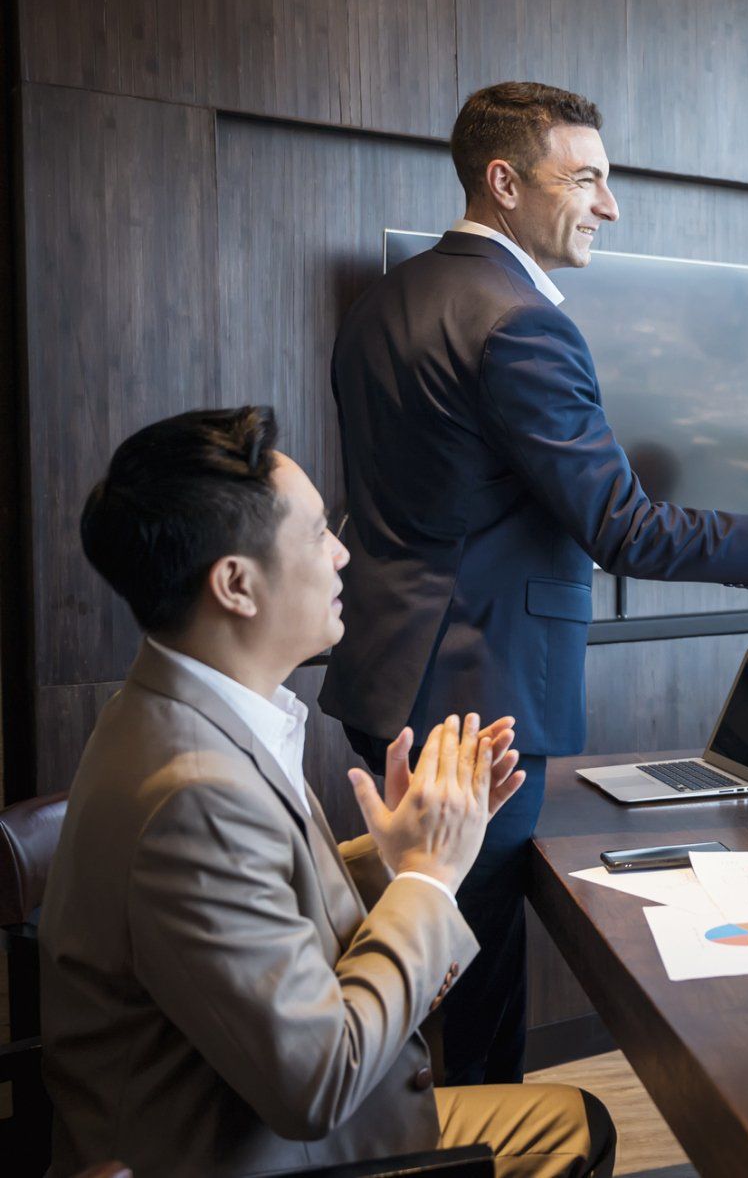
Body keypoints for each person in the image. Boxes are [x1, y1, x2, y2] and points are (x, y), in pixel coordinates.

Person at [321, 80, 748, 1086]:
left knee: (425, 958)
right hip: (479, 693)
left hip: (386, 673)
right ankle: (485, 1143)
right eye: (587, 180)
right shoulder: (520, 323)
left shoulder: (382, 304)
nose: (609, 205)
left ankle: (423, 1129)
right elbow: (626, 526)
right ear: (504, 182)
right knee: (475, 979)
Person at [41, 406, 615, 1178]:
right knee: (574, 1130)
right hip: (251, 1155)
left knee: (571, 1119)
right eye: (317, 533)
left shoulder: (176, 710)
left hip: (251, 1122)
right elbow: (320, 1082)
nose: (342, 553)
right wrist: (426, 877)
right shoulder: (194, 795)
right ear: (236, 584)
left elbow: (262, 905)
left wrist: (397, 854)